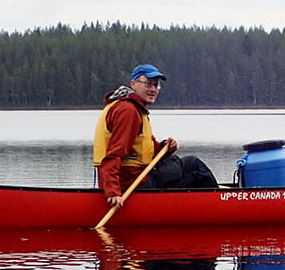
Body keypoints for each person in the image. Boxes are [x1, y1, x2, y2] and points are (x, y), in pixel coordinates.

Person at [93, 63, 217, 208]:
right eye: (148, 84)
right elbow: (114, 154)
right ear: (133, 84)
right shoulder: (128, 111)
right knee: (195, 167)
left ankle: (204, 204)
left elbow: (147, 150)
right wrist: (113, 192)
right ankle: (220, 205)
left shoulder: (133, 108)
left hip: (136, 178)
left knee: (178, 162)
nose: (153, 89)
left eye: (156, 85)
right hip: (132, 184)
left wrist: (166, 147)